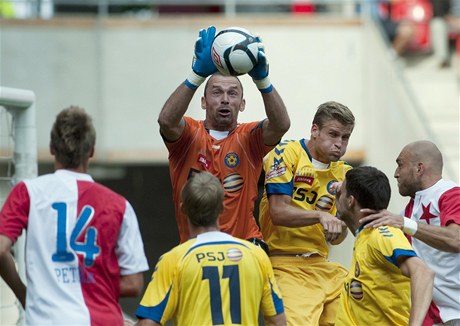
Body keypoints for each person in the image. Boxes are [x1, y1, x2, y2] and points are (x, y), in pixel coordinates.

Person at [0, 106, 149, 325]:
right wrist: (85, 283)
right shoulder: (120, 206)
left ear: (52, 147)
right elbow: (135, 284)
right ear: (91, 151)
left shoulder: (28, 192)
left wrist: (24, 294)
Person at [158, 25, 290, 250]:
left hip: (245, 247)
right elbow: (166, 122)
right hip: (195, 249)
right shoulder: (189, 134)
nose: (225, 99)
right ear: (203, 101)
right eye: (217, 92)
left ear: (242, 103)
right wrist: (196, 75)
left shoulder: (248, 138)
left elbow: (281, 125)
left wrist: (263, 82)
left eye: (233, 93)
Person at [135, 171, 286, 326]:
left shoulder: (174, 260)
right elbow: (278, 322)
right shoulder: (256, 256)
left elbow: (148, 323)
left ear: (183, 208)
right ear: (222, 208)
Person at [258, 101, 354, 325]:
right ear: (315, 130)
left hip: (323, 265)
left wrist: (339, 228)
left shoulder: (345, 173)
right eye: (333, 134)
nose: (339, 144)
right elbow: (278, 212)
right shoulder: (286, 153)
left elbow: (339, 238)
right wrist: (320, 216)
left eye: (345, 137)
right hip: (285, 265)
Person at [359, 140, 460, 325]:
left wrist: (404, 223)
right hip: (426, 318)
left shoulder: (452, 194)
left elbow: (456, 240)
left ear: (419, 168)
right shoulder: (410, 210)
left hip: (453, 316)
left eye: (400, 165)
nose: (396, 174)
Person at [335, 166, 434, 326]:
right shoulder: (365, 235)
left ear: (350, 201)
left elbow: (423, 273)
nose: (337, 195)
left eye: (341, 192)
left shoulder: (381, 233)